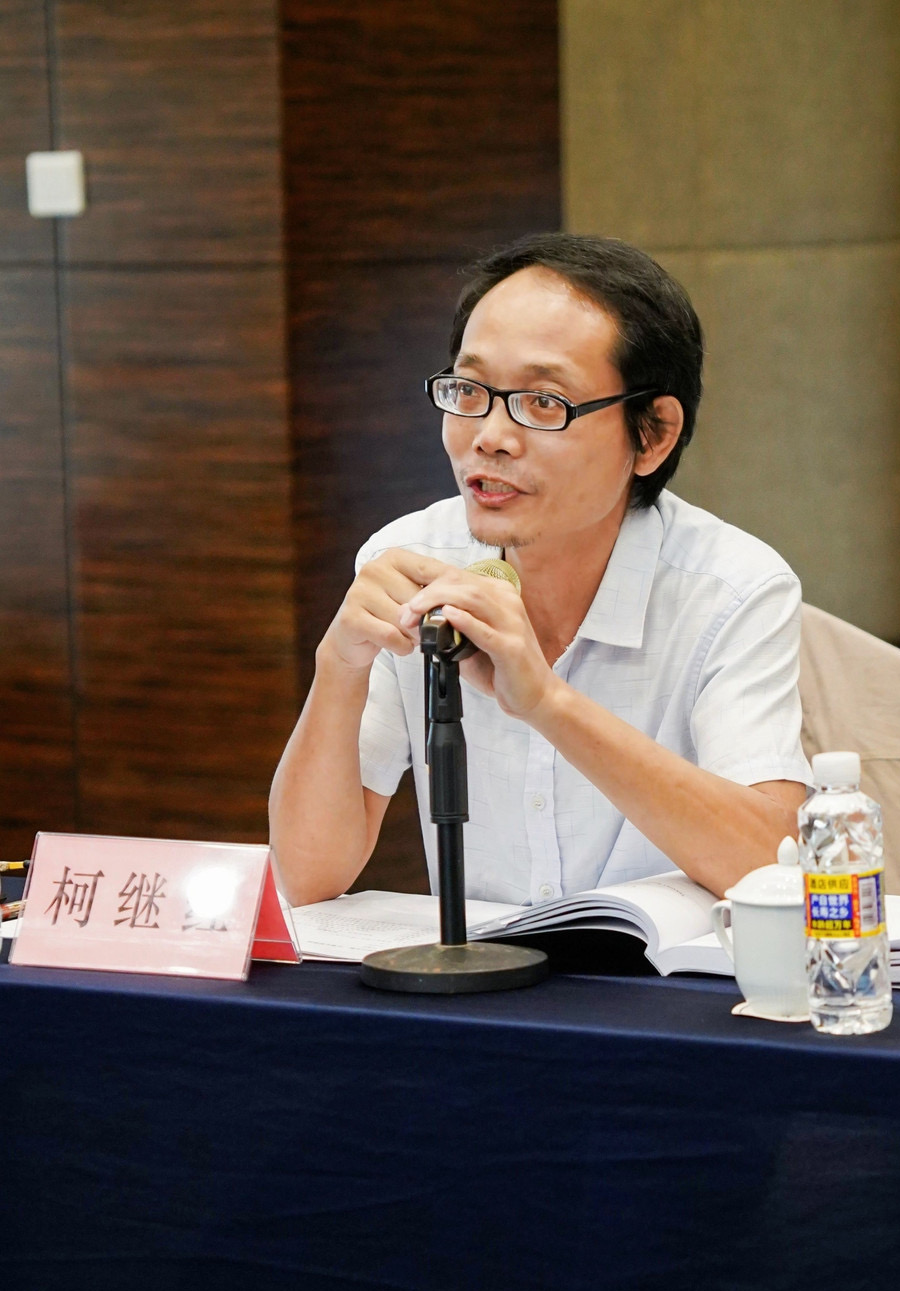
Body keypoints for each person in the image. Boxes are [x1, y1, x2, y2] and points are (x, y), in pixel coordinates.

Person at [270, 233, 810, 908]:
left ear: (652, 434)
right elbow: (307, 877)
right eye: (469, 390)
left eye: (544, 403)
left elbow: (773, 866)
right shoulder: (410, 564)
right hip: (484, 972)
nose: (489, 437)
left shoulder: (732, 589)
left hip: (659, 974)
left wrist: (548, 705)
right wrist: (338, 667)